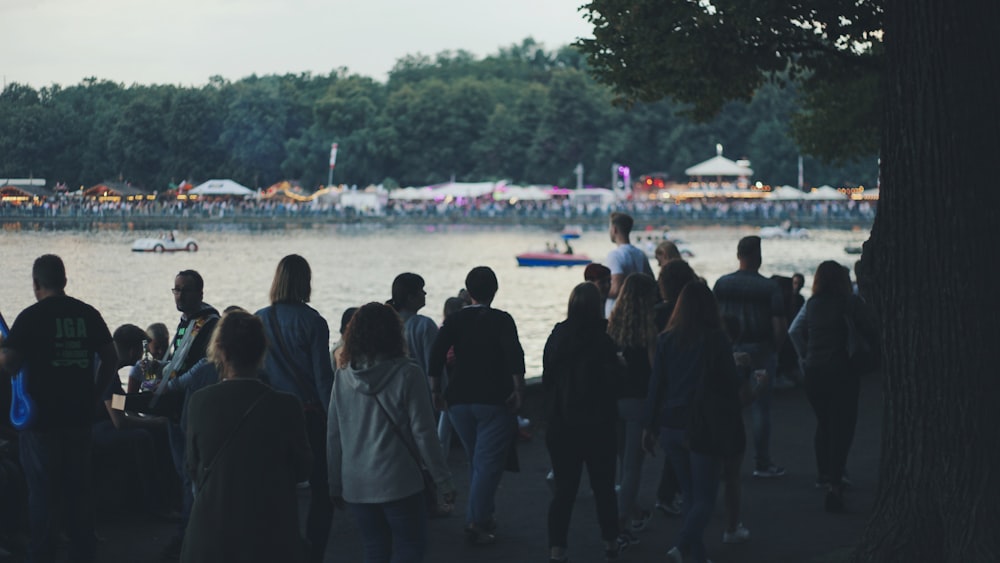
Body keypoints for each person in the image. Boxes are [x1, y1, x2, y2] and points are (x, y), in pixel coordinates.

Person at [0, 254, 118, 563]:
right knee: (79, 491)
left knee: (42, 493)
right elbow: (111, 357)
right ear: (65, 281)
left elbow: (10, 362)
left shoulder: (29, 317)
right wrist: (94, 395)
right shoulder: (87, 314)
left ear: (36, 283)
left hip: (42, 421)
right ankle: (84, 552)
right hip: (80, 418)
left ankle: (43, 554)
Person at [327, 302, 455, 563]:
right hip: (399, 481)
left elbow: (334, 433)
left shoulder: (343, 376)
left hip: (357, 483)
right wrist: (443, 480)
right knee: (410, 548)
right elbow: (424, 433)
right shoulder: (408, 373)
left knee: (375, 549)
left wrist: (334, 482)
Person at [182, 310, 312, 563]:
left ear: (221, 351)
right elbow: (303, 469)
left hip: (212, 532)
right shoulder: (287, 405)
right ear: (262, 351)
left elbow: (193, 468)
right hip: (271, 533)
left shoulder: (199, 402)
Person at [642, 282, 745, 563]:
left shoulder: (665, 340)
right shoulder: (716, 339)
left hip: (670, 425)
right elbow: (729, 383)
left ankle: (697, 556)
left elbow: (657, 386)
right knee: (705, 498)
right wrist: (744, 370)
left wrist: (649, 426)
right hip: (702, 426)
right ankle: (681, 546)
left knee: (689, 494)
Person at [428, 266, 526, 545]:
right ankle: (476, 521)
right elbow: (514, 354)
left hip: (458, 401)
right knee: (487, 465)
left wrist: (436, 389)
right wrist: (519, 388)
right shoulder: (502, 320)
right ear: (495, 290)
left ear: (468, 291)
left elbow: (436, 353)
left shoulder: (455, 319)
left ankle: (485, 514)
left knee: (477, 461)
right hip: (494, 400)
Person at [255, 254, 335, 562]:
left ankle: (283, 548)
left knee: (280, 489)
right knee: (321, 489)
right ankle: (314, 551)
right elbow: (322, 378)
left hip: (274, 416)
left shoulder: (259, 318)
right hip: (309, 415)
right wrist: (333, 422)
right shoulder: (313, 321)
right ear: (306, 281)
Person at [542, 283, 626, 563]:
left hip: (562, 423)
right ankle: (611, 541)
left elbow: (548, 378)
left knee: (565, 490)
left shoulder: (557, 336)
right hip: (598, 423)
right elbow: (614, 383)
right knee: (603, 487)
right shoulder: (603, 340)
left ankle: (557, 548)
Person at [788, 261, 876, 512]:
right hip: (842, 371)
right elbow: (871, 330)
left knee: (824, 424)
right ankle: (835, 485)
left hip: (814, 373)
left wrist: (804, 356)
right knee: (843, 428)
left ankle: (823, 474)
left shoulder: (812, 303)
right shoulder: (850, 303)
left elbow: (794, 330)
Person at [712, 236, 787, 478]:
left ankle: (722, 458)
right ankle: (762, 462)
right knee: (760, 409)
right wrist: (776, 348)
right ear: (758, 256)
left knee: (725, 406)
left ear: (738, 255)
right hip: (760, 349)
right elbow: (779, 325)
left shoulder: (722, 284)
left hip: (729, 349)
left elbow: (714, 319)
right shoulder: (770, 287)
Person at [162, 270, 221, 559]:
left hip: (190, 405)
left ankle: (189, 535)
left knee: (190, 472)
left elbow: (199, 368)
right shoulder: (188, 323)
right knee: (184, 471)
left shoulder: (208, 324)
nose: (179, 295)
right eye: (176, 290)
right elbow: (178, 360)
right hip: (178, 405)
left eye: (185, 290)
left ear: (200, 292)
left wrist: (167, 386)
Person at [607, 273, 660, 543]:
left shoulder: (613, 327)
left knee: (622, 464)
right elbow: (655, 373)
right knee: (632, 469)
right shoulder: (649, 330)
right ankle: (619, 525)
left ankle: (631, 513)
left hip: (614, 401)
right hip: (638, 403)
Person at [605, 212, 655, 317]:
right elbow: (651, 282)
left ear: (614, 229)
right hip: (639, 311)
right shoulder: (640, 254)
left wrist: (598, 292)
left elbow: (616, 289)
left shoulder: (615, 256)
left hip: (618, 314)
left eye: (609, 227)